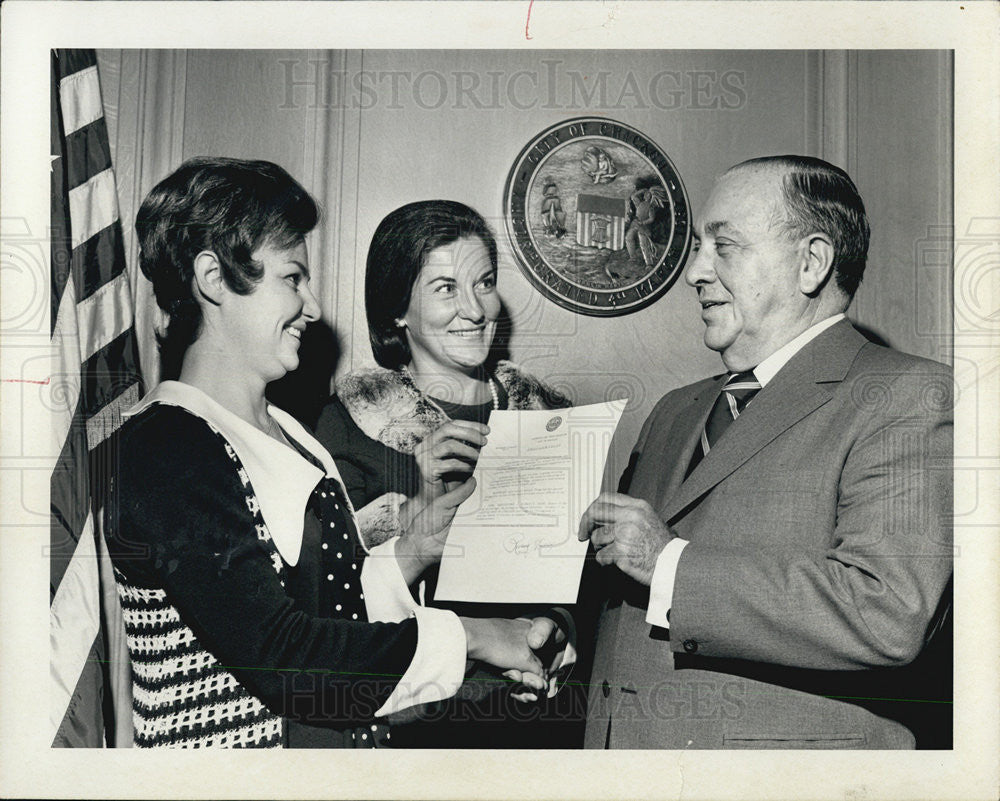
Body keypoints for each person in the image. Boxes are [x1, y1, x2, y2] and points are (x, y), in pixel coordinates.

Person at [105, 158, 564, 748]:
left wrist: (413, 550)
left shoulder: (292, 435)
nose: (314, 307)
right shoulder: (164, 444)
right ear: (213, 278)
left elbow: (329, 607)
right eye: (293, 278)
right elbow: (281, 656)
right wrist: (470, 637)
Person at [578, 155, 953, 750]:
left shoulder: (905, 396)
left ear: (811, 263)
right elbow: (623, 601)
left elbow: (890, 612)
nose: (695, 272)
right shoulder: (676, 408)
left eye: (723, 246)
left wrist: (669, 563)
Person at [314, 200, 580, 747]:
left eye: (483, 283)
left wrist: (558, 636)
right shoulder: (347, 424)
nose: (475, 309)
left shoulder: (551, 414)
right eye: (445, 288)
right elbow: (328, 596)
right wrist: (417, 500)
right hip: (411, 719)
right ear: (397, 310)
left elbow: (585, 579)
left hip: (536, 720)